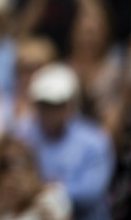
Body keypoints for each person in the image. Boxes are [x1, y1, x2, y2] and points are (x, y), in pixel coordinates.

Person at [14, 63, 114, 220]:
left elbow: (92, 192)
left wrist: (44, 190)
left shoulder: (94, 140)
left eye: (56, 105)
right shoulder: (24, 132)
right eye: (44, 105)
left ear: (70, 104)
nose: (50, 112)